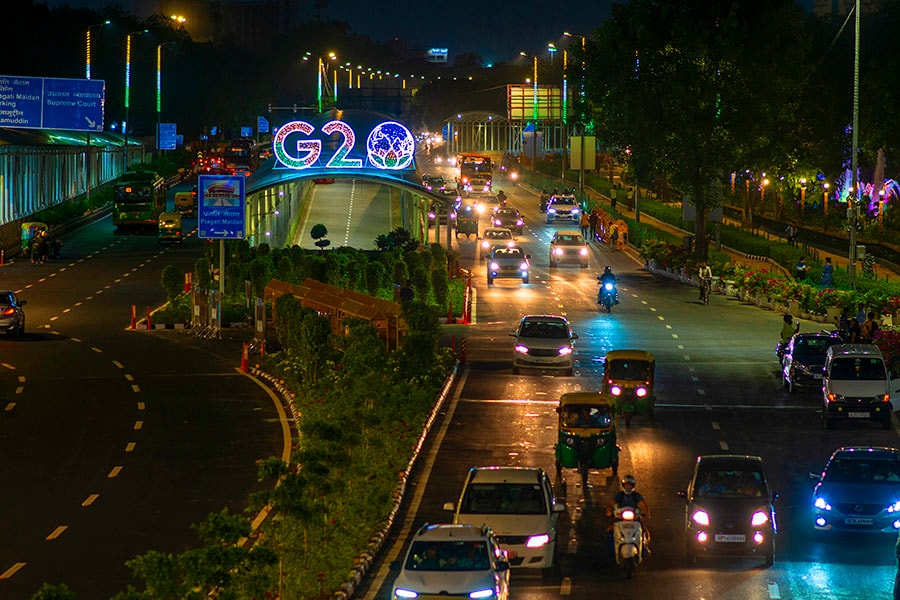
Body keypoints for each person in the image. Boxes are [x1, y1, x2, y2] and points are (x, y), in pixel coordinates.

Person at [607, 475, 651, 558]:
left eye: (630, 485)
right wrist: (609, 511)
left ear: (633, 486)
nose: (628, 487)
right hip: (620, 519)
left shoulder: (636, 495)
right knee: (610, 531)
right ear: (623, 485)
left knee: (644, 531)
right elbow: (610, 504)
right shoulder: (619, 495)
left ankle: (644, 547)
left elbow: (643, 504)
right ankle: (611, 551)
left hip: (635, 518)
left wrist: (647, 513)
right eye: (626, 485)